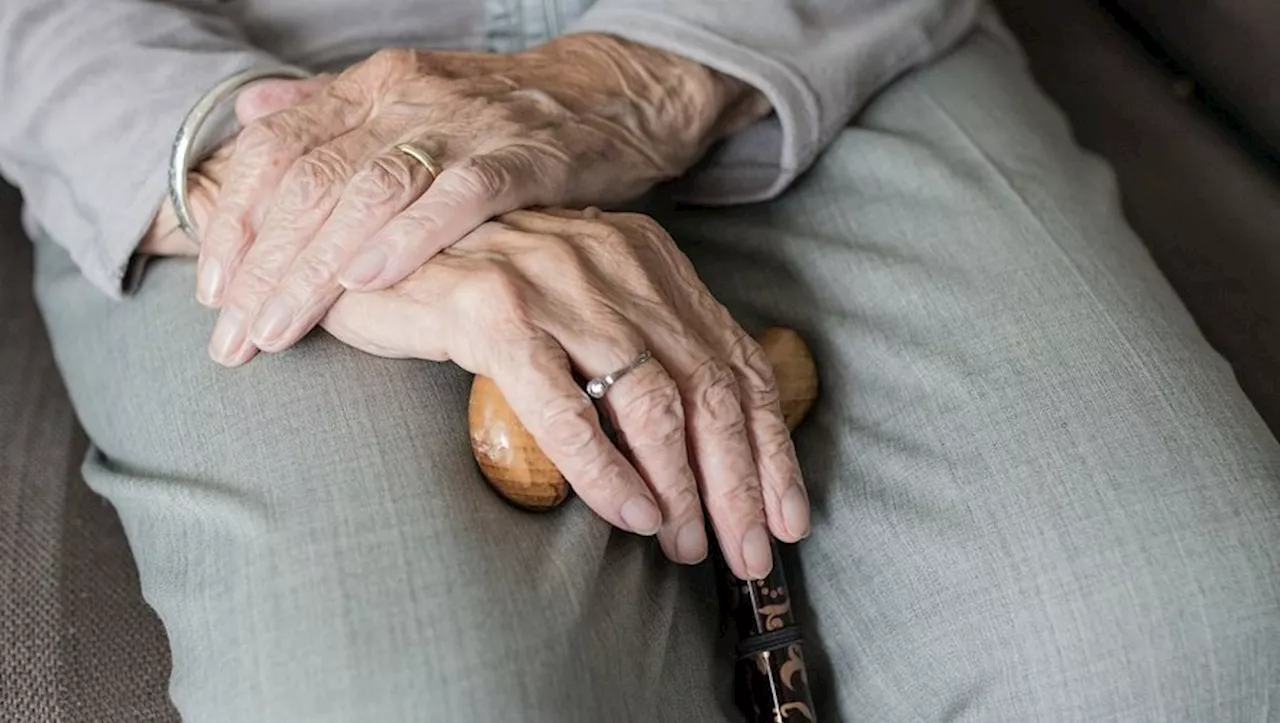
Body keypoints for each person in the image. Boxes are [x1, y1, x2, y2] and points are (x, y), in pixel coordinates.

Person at [3, 0, 1278, 720]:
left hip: (814, 34)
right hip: (230, 76)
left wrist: (631, 77)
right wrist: (282, 178)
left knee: (1189, 647)